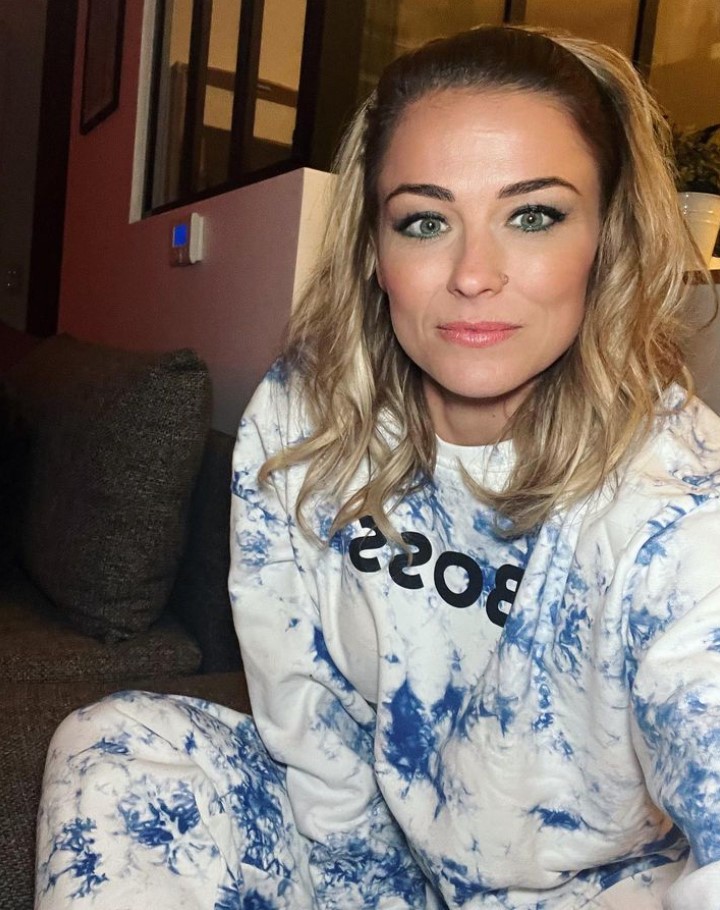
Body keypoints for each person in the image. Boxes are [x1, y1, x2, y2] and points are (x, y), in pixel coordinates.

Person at [35, 23, 720, 910]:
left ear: (607, 238)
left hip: (585, 893)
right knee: (117, 740)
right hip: (371, 849)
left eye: (534, 215)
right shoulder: (305, 415)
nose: (473, 274)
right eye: (425, 221)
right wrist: (353, 886)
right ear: (373, 249)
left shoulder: (684, 504)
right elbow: (303, 702)